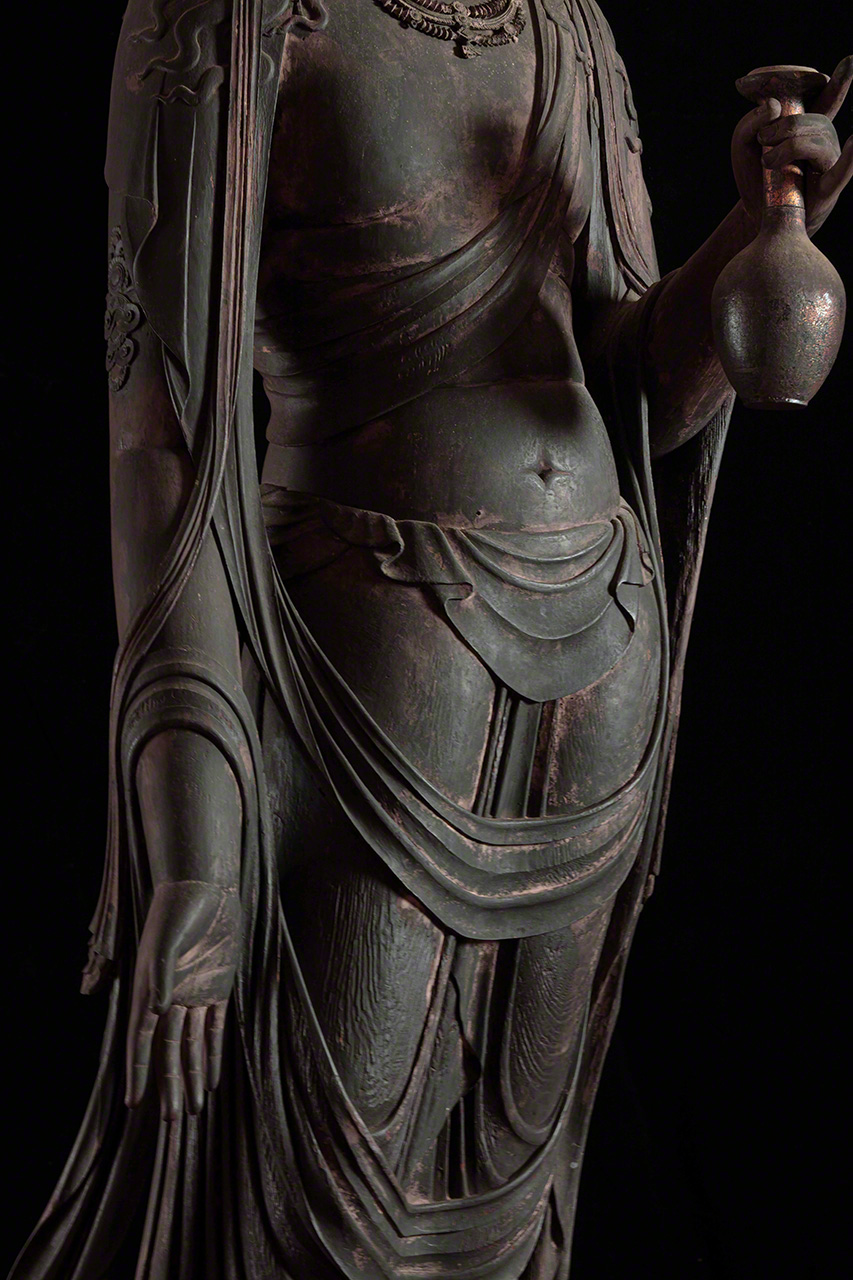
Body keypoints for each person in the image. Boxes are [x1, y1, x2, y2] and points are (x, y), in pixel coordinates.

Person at [11, 2, 850, 1277]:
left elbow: (631, 386)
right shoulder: (232, 18)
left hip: (600, 667)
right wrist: (194, 844)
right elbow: (162, 447)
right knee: (321, 1200)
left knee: (511, 1187)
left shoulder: (564, 26)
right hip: (373, 673)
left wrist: (756, 234)